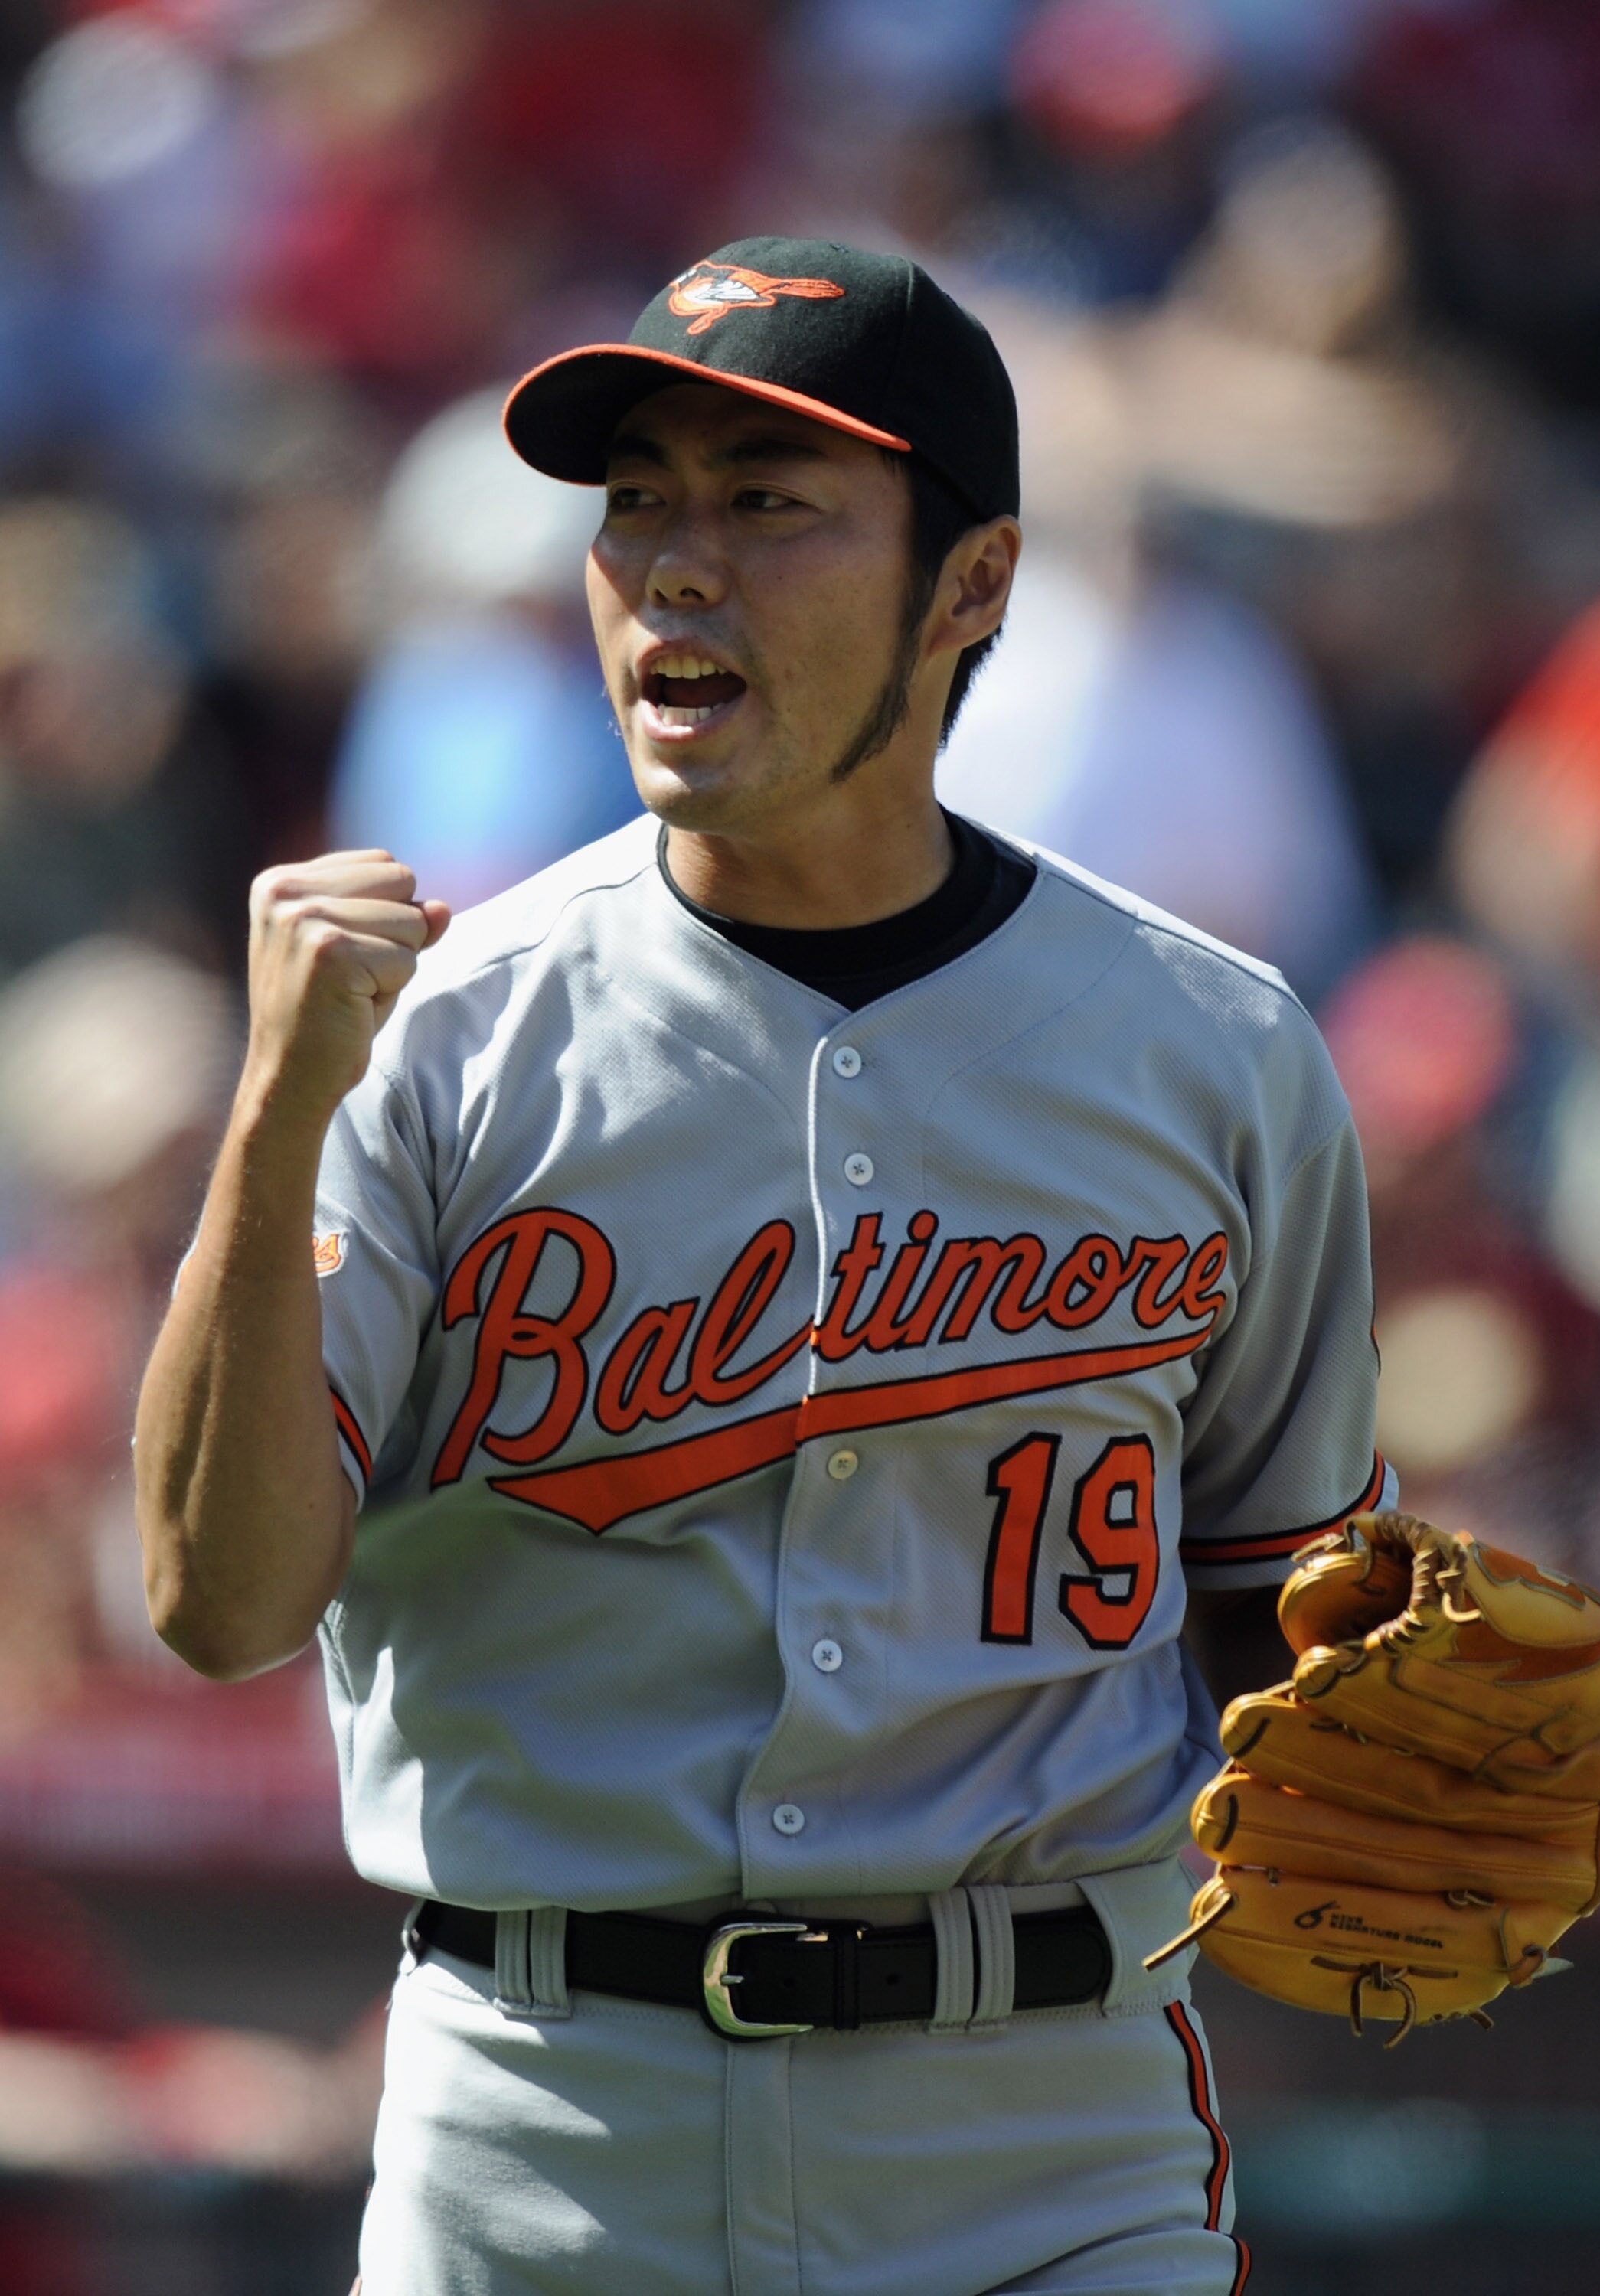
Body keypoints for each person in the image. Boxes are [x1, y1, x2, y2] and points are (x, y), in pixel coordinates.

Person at [134, 238, 1390, 2296]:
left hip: (1043, 2143)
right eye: (638, 501)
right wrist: (274, 1128)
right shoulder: (437, 1036)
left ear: (971, 586)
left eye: (768, 503)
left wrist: (1383, 1737)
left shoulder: (1214, 1050)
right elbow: (214, 1600)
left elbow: (1277, 1613)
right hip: (546, 2138)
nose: (676, 567)